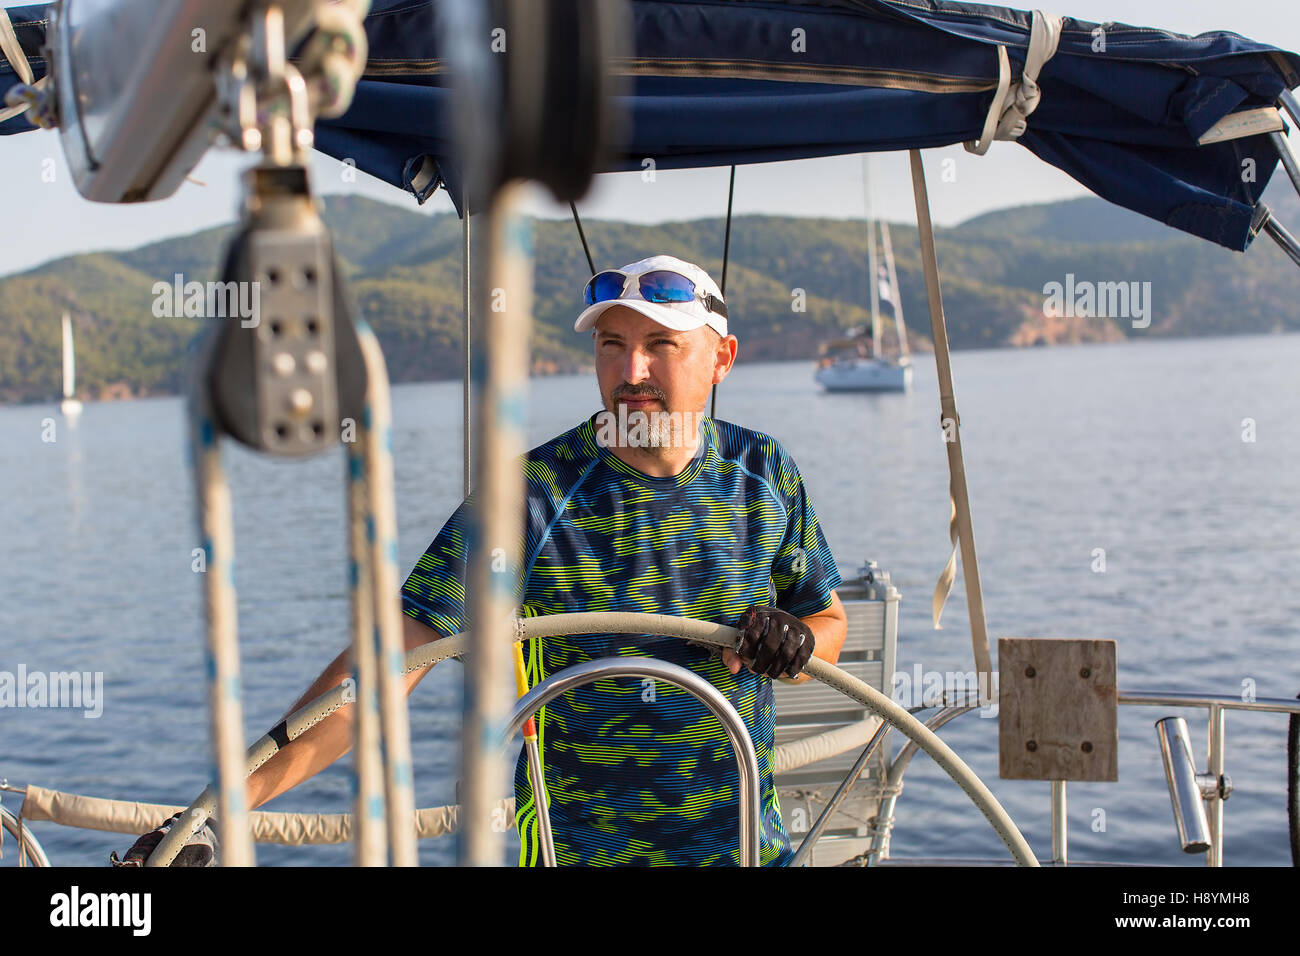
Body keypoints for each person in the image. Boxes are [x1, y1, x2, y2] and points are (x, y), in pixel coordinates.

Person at [131, 254, 847, 867]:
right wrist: (217, 815)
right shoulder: (527, 497)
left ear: (720, 358)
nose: (631, 371)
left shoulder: (763, 472)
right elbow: (382, 670)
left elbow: (828, 619)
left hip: (749, 849)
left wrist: (801, 639)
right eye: (611, 345)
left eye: (660, 344)